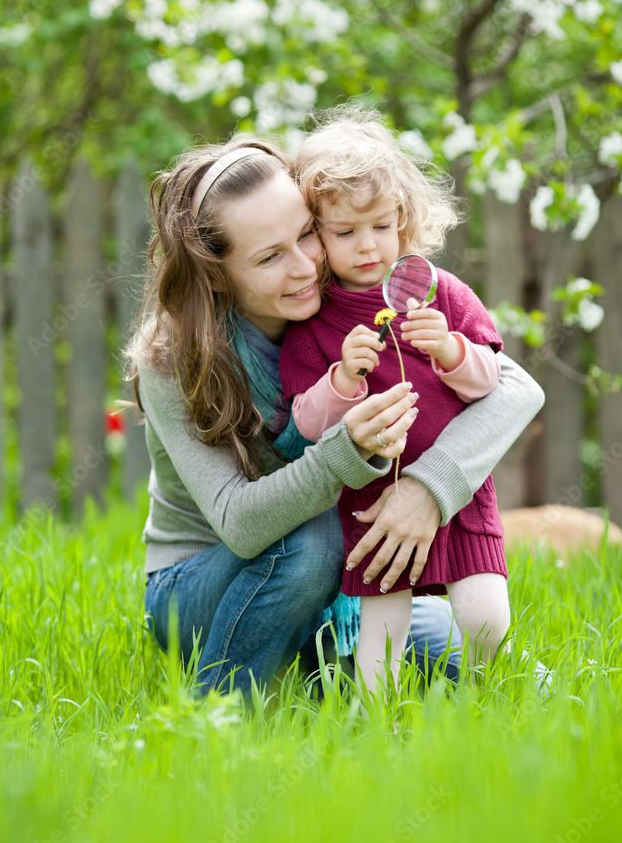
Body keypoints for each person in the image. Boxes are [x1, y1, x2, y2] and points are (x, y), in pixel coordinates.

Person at [124, 133, 545, 700]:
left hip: (335, 579)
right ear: (217, 275)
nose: (304, 267)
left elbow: (515, 388)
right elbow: (241, 524)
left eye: (306, 235)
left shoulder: (353, 293)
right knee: (315, 537)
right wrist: (345, 454)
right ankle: (220, 718)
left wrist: (428, 488)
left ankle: (317, 674)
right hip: (200, 582)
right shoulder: (174, 356)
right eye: (271, 257)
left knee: (492, 664)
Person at [280, 108, 518, 694]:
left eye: (381, 227)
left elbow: (492, 383)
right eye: (344, 233)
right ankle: (374, 725)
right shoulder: (317, 322)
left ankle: (481, 702)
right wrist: (342, 381)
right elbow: (307, 424)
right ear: (315, 235)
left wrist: (453, 351)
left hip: (458, 495)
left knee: (486, 619)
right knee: (380, 639)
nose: (367, 247)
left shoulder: (441, 291)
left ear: (404, 221)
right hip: (374, 504)